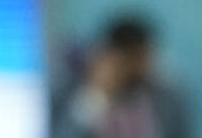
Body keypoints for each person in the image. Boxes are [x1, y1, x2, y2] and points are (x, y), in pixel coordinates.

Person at [51, 15, 192, 138]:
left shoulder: (167, 97)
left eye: (142, 58)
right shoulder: (71, 92)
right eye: (129, 59)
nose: (136, 67)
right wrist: (95, 95)